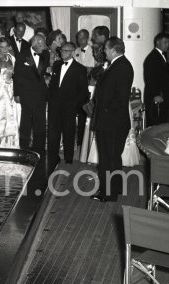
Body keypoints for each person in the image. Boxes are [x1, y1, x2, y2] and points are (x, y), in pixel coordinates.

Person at [92, 37, 134, 202]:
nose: (104, 52)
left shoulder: (122, 66)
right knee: (113, 157)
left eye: (106, 50)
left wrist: (105, 110)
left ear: (113, 50)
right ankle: (114, 189)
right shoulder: (118, 65)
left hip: (112, 122)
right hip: (112, 121)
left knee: (108, 158)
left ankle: (107, 193)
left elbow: (120, 97)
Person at [47, 41, 89, 166]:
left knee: (69, 133)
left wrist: (74, 106)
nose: (62, 53)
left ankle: (69, 159)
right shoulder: (57, 64)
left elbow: (83, 91)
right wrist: (51, 98)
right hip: (55, 105)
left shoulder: (80, 69)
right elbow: (53, 84)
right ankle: (52, 157)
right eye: (61, 50)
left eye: (65, 51)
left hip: (69, 106)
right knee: (53, 133)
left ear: (72, 52)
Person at [13, 34, 50, 156]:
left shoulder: (46, 54)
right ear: (33, 43)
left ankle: (39, 149)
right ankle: (24, 147)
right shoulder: (22, 55)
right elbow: (17, 76)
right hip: (26, 93)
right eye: (40, 43)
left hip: (40, 93)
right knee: (26, 122)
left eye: (43, 43)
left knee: (40, 122)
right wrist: (17, 93)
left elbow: (44, 72)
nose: (43, 46)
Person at [143, 33, 169, 126]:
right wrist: (156, 95)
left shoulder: (161, 56)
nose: (167, 45)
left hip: (162, 95)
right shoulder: (153, 57)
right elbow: (150, 77)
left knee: (161, 122)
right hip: (156, 96)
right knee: (155, 123)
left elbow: (167, 75)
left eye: (168, 43)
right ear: (158, 42)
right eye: (165, 42)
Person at [74, 28, 95, 145]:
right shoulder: (75, 51)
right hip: (76, 87)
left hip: (88, 87)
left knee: (85, 113)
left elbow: (93, 70)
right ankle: (78, 140)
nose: (79, 40)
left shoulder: (94, 51)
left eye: (82, 38)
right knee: (77, 113)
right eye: (78, 38)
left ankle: (85, 141)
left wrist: (88, 70)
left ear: (87, 39)